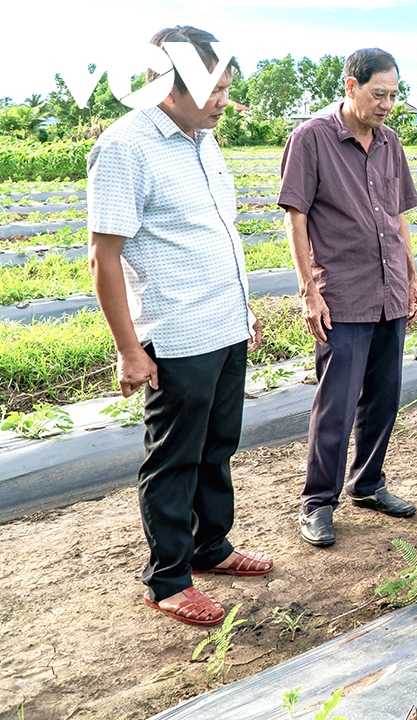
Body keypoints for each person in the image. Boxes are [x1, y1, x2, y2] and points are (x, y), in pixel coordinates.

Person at [88, 26, 272, 627]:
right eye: (212, 87)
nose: (224, 98)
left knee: (218, 446)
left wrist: (244, 312)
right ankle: (167, 579)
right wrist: (127, 351)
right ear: (168, 86)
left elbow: (217, 233)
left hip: (223, 323)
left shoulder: (204, 140)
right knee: (174, 457)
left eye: (225, 84)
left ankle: (210, 546)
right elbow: (103, 257)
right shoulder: (125, 148)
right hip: (175, 331)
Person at [278, 48, 417, 548]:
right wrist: (308, 290)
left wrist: (412, 277)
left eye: (393, 95)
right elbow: (295, 216)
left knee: (384, 395)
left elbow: (399, 216)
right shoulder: (312, 138)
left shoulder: (390, 142)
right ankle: (318, 501)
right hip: (341, 293)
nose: (387, 104)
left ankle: (367, 484)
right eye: (378, 94)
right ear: (350, 86)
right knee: (336, 403)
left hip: (389, 291)